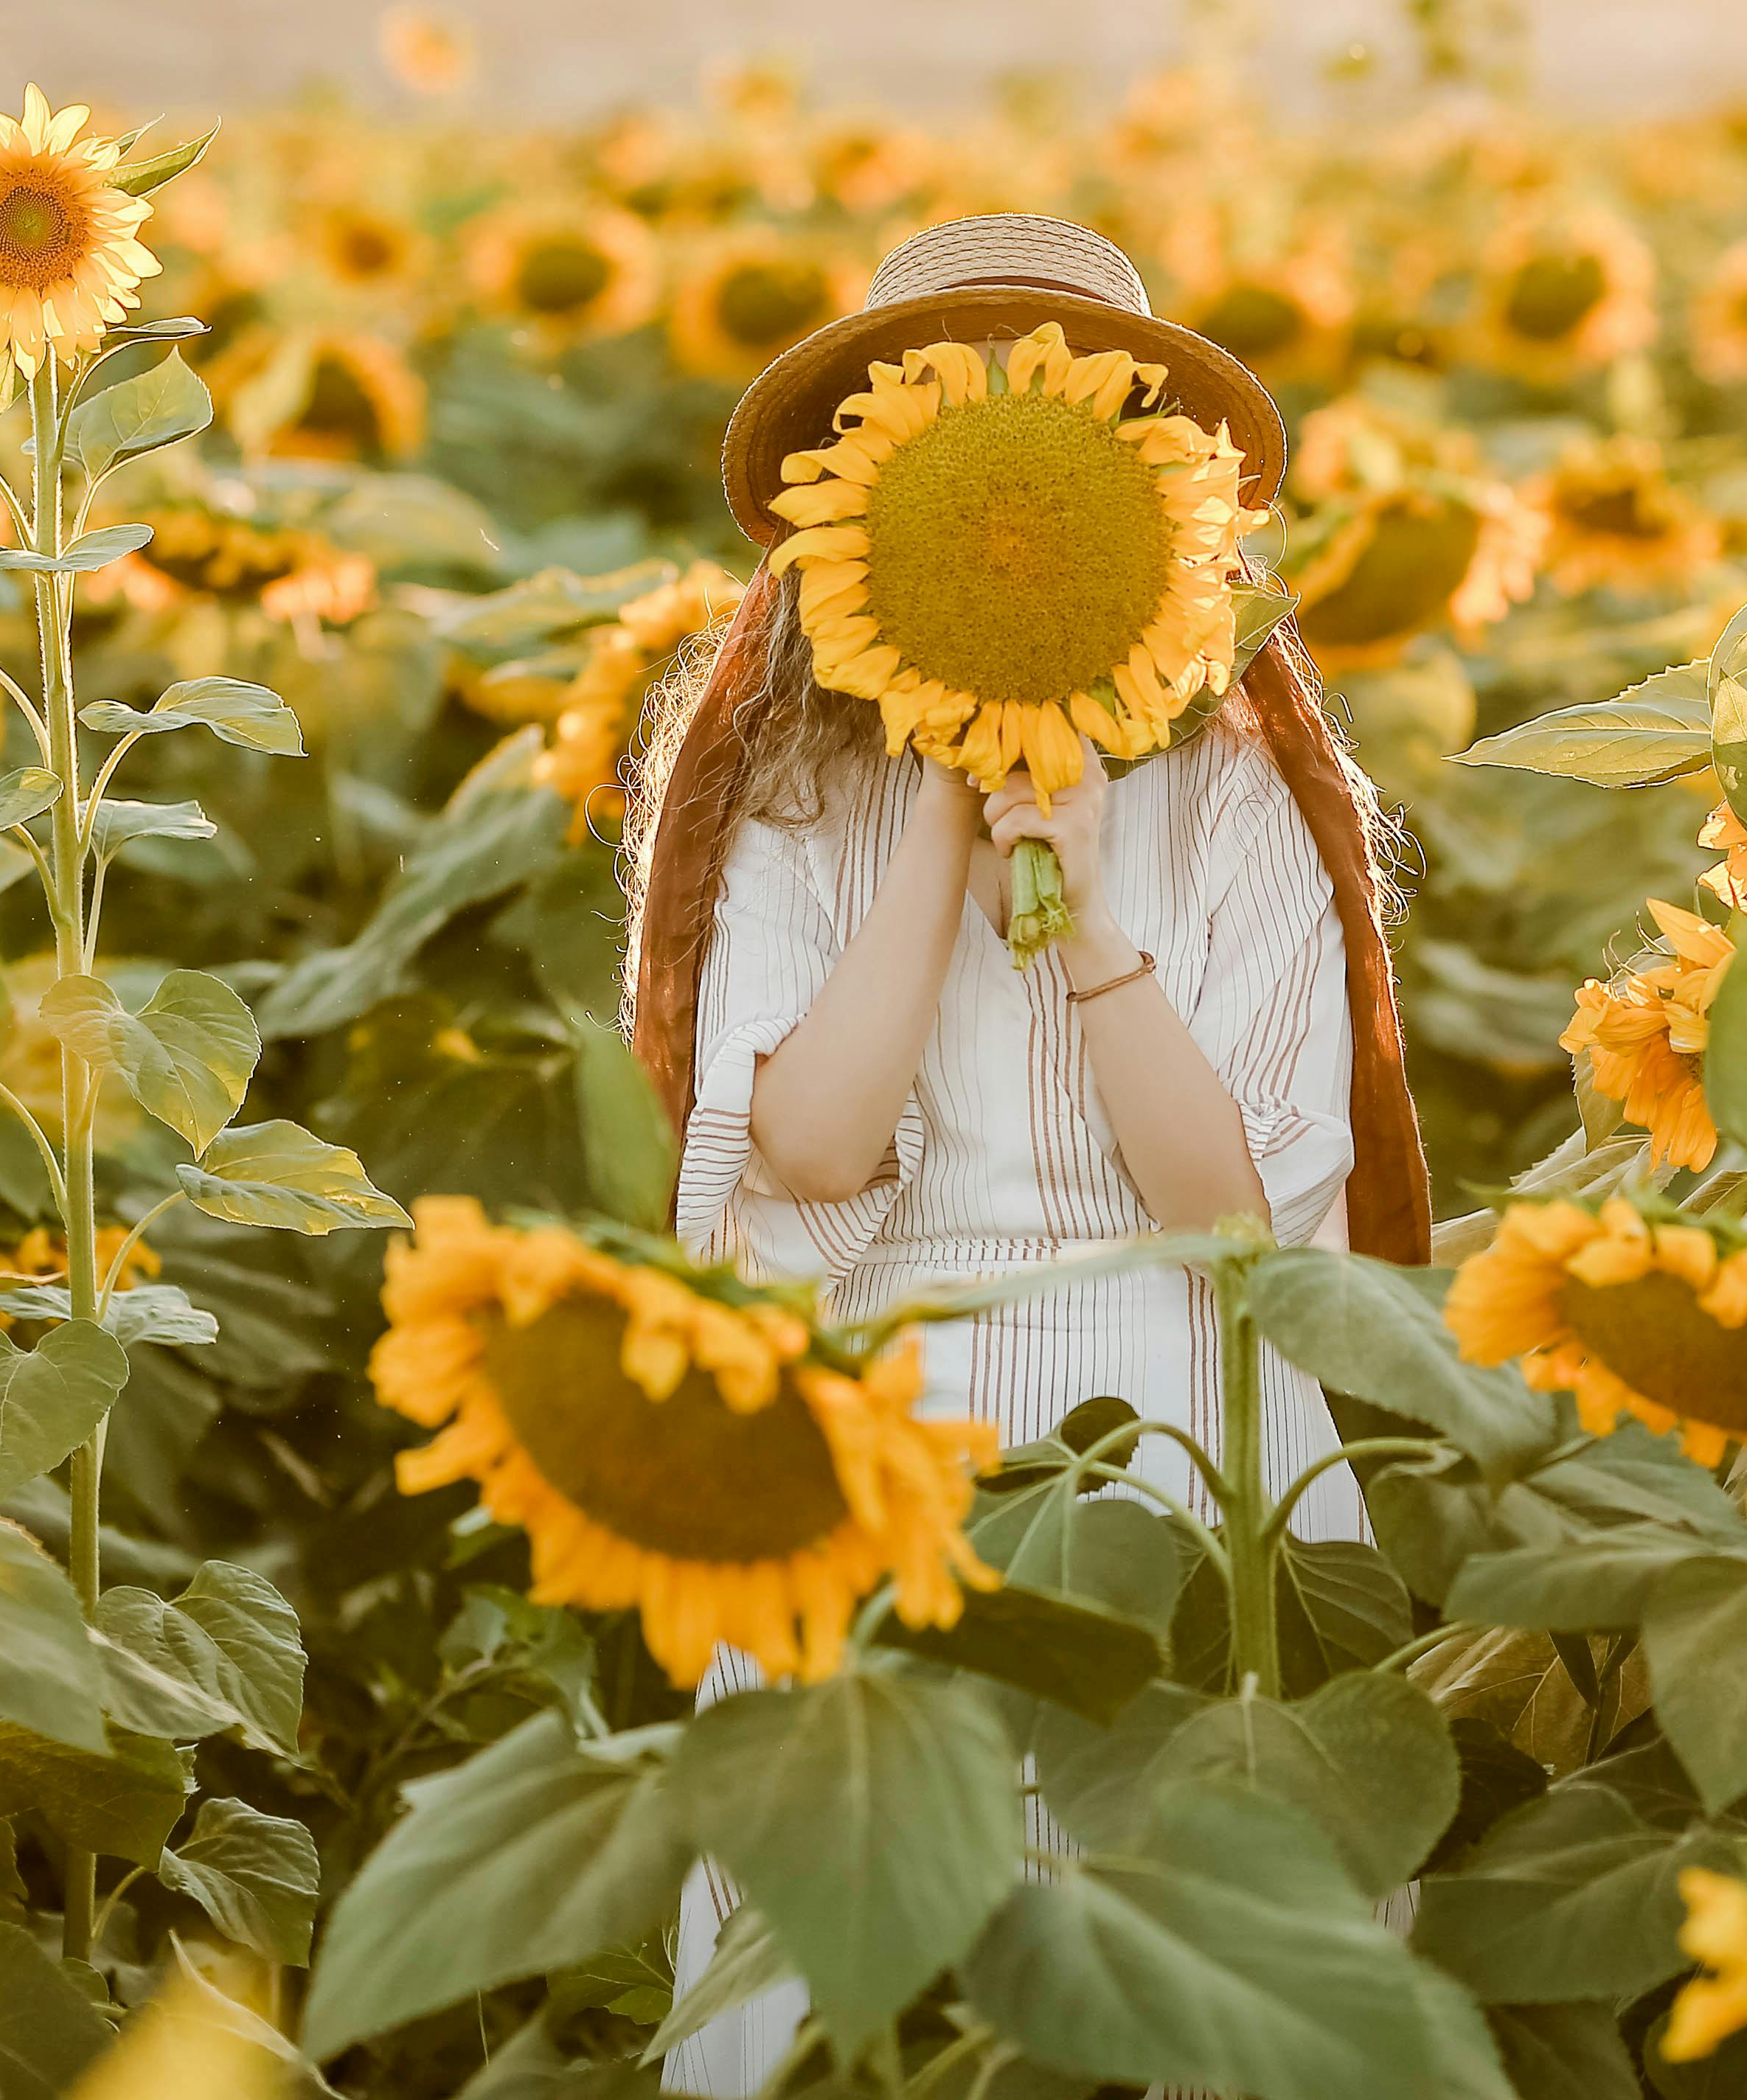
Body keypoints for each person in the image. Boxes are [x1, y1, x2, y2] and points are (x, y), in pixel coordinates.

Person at [617, 213, 1431, 2093]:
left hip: (1186, 1451)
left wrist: (1072, 915)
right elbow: (809, 1153)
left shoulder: (1237, 797)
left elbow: (1233, 1209)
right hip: (881, 1446)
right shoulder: (800, 797)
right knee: (851, 1994)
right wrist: (934, 824)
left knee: (1195, 1974)